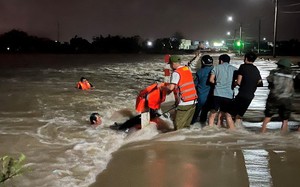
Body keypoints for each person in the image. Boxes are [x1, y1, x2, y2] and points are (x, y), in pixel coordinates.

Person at [226, 52, 263, 129]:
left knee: (228, 114)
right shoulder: (256, 69)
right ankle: (239, 131)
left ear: (246, 58)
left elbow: (239, 82)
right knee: (239, 116)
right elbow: (259, 82)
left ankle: (232, 132)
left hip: (242, 95)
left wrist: (233, 84)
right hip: (250, 96)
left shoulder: (243, 67)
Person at [260, 59, 296, 133]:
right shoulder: (293, 74)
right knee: (285, 119)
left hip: (274, 97)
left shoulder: (274, 72)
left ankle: (262, 133)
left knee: (268, 116)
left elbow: (269, 81)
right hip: (287, 99)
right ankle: (283, 136)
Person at [163, 55, 198, 130]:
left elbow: (171, 88)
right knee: (186, 127)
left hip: (184, 103)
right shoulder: (187, 69)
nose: (170, 66)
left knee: (178, 128)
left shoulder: (176, 73)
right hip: (193, 101)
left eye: (170, 64)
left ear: (173, 64)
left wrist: (163, 87)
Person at [207, 54, 237, 129]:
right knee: (227, 115)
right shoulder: (235, 69)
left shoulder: (216, 67)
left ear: (221, 61)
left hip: (217, 93)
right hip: (229, 95)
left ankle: (209, 130)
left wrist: (217, 83)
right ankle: (233, 131)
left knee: (212, 115)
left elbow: (211, 80)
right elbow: (237, 82)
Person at [191, 55, 214, 125]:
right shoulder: (215, 70)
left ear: (203, 62)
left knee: (195, 114)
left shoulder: (200, 72)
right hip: (211, 97)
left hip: (201, 97)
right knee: (205, 113)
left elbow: (195, 84)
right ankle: (202, 126)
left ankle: (192, 127)